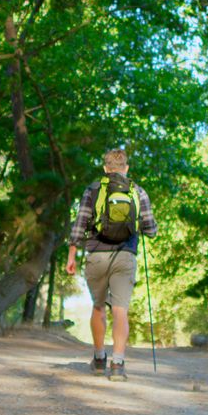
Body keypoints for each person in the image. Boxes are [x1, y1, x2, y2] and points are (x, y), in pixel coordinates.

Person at [66, 149, 157, 382]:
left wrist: (71, 255)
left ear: (105, 169)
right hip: (125, 256)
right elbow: (151, 230)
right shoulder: (138, 191)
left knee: (98, 307)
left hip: (96, 255)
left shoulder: (93, 190)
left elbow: (80, 223)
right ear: (126, 168)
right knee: (120, 310)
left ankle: (98, 359)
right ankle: (117, 364)